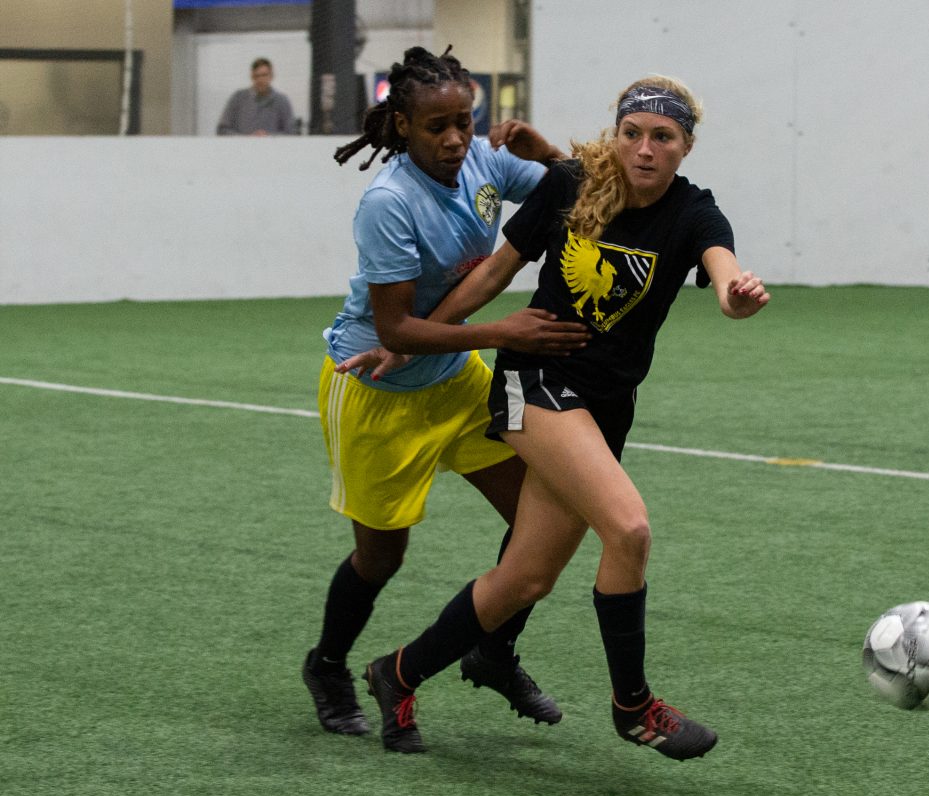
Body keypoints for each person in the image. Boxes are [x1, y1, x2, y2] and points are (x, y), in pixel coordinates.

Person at [355, 75, 770, 759]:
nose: (644, 148)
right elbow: (492, 276)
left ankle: (394, 673)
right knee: (629, 528)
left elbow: (724, 272)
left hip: (603, 409)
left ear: (685, 146)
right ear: (617, 134)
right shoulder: (571, 184)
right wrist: (413, 337)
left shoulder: (695, 212)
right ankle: (634, 708)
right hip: (533, 383)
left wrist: (738, 294)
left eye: (662, 137)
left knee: (524, 580)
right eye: (631, 132)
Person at [301, 46, 590, 742]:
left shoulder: (485, 164)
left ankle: (491, 653)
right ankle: (329, 665)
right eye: (437, 126)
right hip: (373, 388)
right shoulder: (388, 203)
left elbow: (577, 193)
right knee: (382, 557)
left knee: (540, 522)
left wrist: (547, 150)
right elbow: (397, 327)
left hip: (456, 383)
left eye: (464, 121)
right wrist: (503, 330)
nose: (456, 138)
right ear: (402, 125)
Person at [217, 57, 297, 136]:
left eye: (264, 75)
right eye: (256, 76)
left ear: (271, 76)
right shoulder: (238, 98)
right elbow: (223, 129)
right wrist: (245, 139)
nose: (260, 80)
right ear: (252, 77)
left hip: (273, 148)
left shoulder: (282, 101)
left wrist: (269, 137)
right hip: (242, 148)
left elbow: (291, 132)